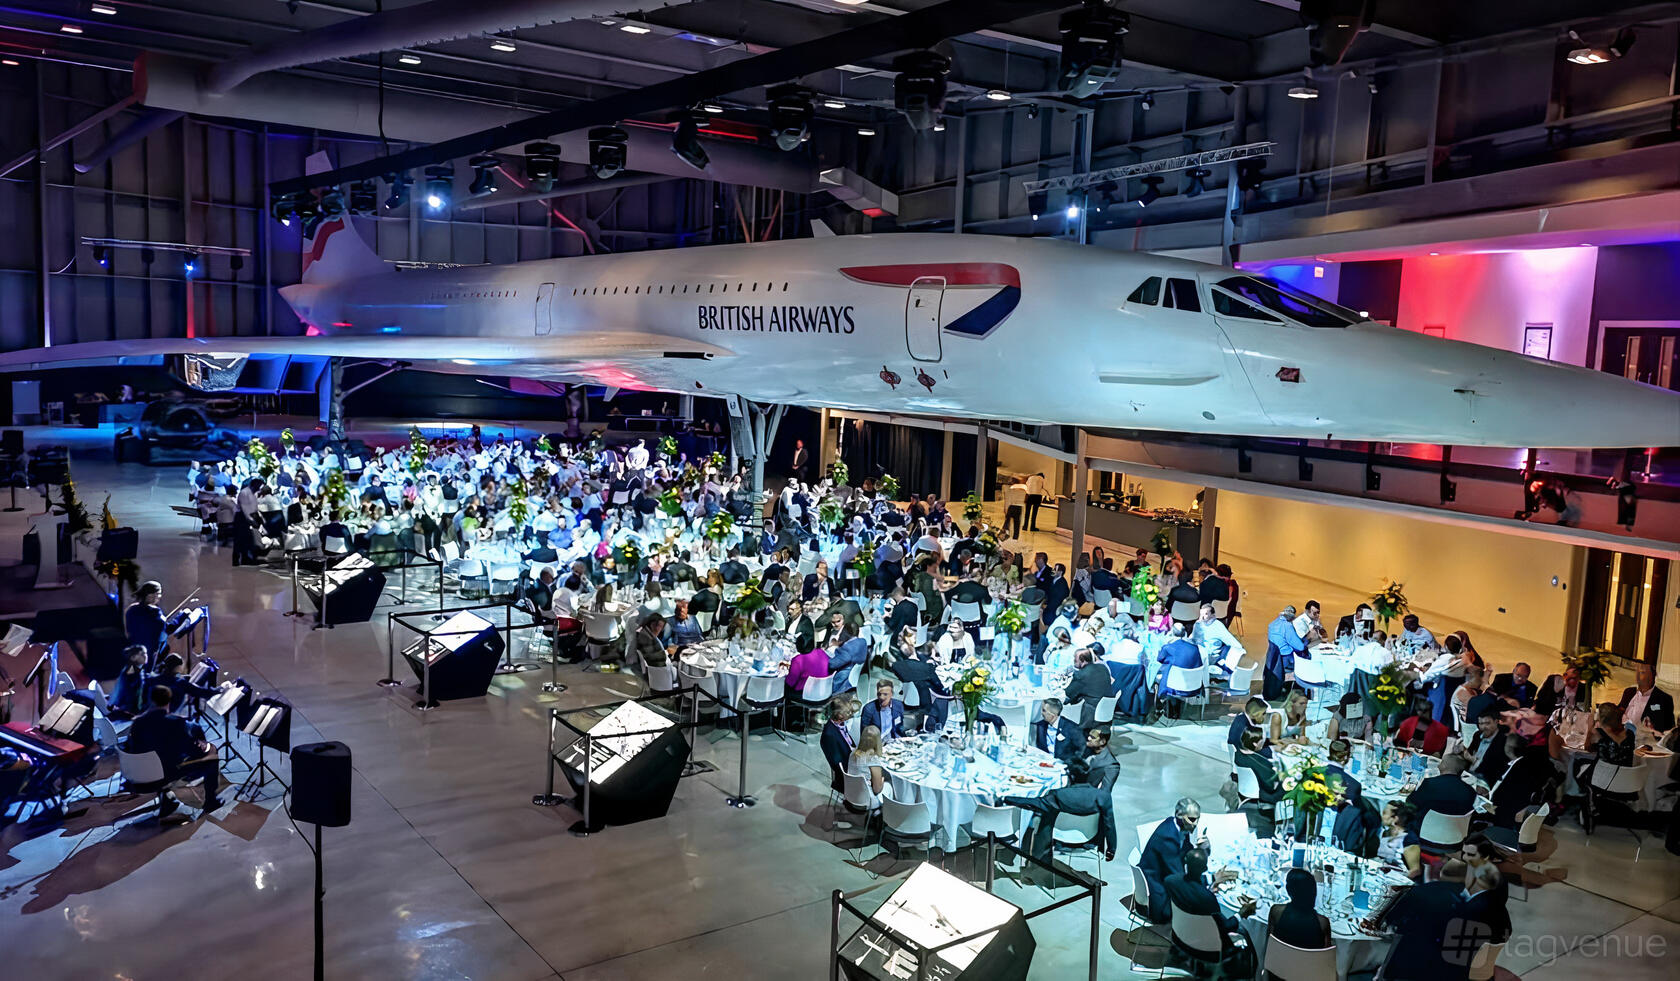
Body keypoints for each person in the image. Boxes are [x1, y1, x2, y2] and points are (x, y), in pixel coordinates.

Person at [1002, 728, 1118, 866]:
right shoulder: (1088, 751)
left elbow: (1102, 795)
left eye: (1092, 737)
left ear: (1103, 741)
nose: (1088, 738)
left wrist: (1006, 798)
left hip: (1079, 813)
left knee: (1043, 813)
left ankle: (1037, 862)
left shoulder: (1111, 765)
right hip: (1076, 796)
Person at [123, 684, 222, 818]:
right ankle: (211, 802)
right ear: (169, 701)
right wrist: (206, 747)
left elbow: (132, 748)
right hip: (162, 775)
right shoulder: (175, 723)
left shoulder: (137, 723)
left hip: (138, 775)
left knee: (160, 756)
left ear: (151, 700)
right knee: (212, 756)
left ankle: (167, 800)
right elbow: (194, 752)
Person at [1378, 859, 1469, 980]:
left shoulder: (1417, 891)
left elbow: (1389, 919)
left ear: (1441, 873)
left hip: (1405, 960)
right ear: (1466, 879)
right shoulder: (1467, 904)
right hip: (1442, 970)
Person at [1164, 846, 1255, 952]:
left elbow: (1189, 883)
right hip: (1203, 944)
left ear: (1186, 865)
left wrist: (1213, 879)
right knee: (1246, 933)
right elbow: (1226, 926)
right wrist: (1241, 914)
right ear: (1205, 869)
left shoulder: (1170, 881)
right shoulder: (1208, 899)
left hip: (1179, 932)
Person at [1140, 797, 1202, 923]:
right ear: (1179, 815)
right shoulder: (1167, 837)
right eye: (1192, 819)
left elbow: (1185, 849)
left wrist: (1201, 850)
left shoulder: (1175, 825)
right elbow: (1177, 874)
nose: (1195, 824)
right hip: (1156, 887)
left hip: (1162, 875)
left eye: (1197, 819)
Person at [1404, 755, 1476, 832]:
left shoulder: (1430, 784)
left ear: (1444, 766)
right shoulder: (1470, 791)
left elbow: (1410, 803)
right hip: (1451, 833)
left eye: (1441, 762)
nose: (1438, 765)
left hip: (1426, 829)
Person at [1268, 868, 1333, 952]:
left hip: (1278, 963)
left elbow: (1270, 944)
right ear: (1313, 891)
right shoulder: (1323, 922)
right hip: (1311, 964)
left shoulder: (1276, 911)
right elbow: (1326, 954)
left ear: (1288, 890)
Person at [1234, 728, 1284, 835]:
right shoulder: (1260, 762)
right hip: (1264, 794)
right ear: (1255, 743)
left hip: (1246, 790)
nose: (1264, 742)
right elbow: (1271, 785)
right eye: (1262, 741)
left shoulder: (1238, 754)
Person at [1155, 624, 1204, 719]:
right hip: (1194, 687)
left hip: (1175, 687)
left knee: (1164, 672)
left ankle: (1160, 707)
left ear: (1172, 633)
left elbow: (1160, 659)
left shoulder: (1168, 647)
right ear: (1185, 633)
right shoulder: (1195, 648)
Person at [1264, 605, 1307, 700]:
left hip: (1273, 657)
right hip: (1285, 658)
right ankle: (1302, 692)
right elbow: (1299, 646)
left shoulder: (1273, 624)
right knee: (1306, 661)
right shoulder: (1287, 626)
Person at [1063, 649, 1113, 728]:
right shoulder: (1103, 668)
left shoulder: (1081, 674)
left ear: (1082, 660)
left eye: (1075, 659)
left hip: (1089, 716)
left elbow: (1068, 694)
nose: (1073, 661)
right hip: (1106, 712)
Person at [1192, 603, 1245, 676]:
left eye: (1206, 614)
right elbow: (1192, 640)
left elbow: (1232, 642)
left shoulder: (1216, 626)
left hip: (1207, 657)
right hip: (1200, 656)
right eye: (1201, 614)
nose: (1202, 617)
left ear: (1213, 615)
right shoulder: (1199, 624)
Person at [1619, 663, 1675, 733]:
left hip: (1643, 739)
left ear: (1653, 675)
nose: (1637, 676)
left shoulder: (1664, 699)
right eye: (1637, 672)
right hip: (1622, 734)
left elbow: (1669, 728)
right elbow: (1619, 711)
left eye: (1642, 672)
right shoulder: (1629, 692)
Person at [1375, 801, 1425, 878]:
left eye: (1385, 813)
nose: (1382, 816)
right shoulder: (1383, 832)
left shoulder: (1408, 839)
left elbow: (1415, 870)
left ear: (1395, 818)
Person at [819, 696, 858, 793]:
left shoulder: (841, 723)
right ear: (839, 715)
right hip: (847, 773)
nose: (851, 714)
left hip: (853, 757)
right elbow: (837, 764)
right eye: (848, 713)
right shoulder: (829, 735)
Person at [1464, 707, 1512, 784]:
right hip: (1468, 775)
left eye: (1487, 723)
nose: (1483, 727)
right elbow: (1469, 753)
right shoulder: (1477, 735)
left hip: (1485, 780)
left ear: (1496, 722)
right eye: (1481, 724)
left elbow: (1496, 769)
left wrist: (1475, 761)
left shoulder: (1503, 742)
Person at [124, 580, 169, 661]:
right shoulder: (155, 612)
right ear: (150, 595)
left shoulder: (131, 609)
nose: (160, 596)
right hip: (149, 651)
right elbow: (162, 629)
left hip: (133, 650)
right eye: (158, 594)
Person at [106, 645, 153, 720]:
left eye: (146, 653)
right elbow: (125, 690)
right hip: (127, 711)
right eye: (142, 654)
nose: (145, 656)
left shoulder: (137, 670)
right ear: (133, 657)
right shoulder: (131, 671)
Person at [1031, 699, 1082, 763]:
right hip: (1043, 763)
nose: (1041, 713)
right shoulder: (1041, 726)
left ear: (1052, 715)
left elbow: (1081, 749)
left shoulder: (1072, 728)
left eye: (1044, 710)